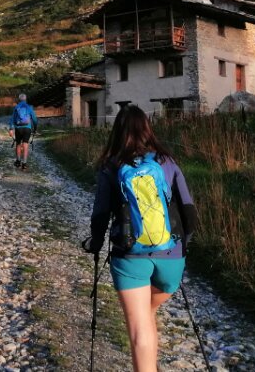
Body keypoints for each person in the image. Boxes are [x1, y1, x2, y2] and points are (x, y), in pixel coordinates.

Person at [82, 105, 198, 372]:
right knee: (147, 316)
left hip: (130, 255)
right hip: (171, 256)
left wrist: (96, 243)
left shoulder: (111, 166)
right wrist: (181, 248)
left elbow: (100, 214)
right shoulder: (167, 162)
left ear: (117, 131)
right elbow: (189, 214)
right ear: (148, 128)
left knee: (139, 327)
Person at [9, 93, 38, 169]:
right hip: (27, 128)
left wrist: (11, 128)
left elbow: (12, 119)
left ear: (19, 100)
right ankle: (24, 163)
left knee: (18, 144)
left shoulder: (16, 107)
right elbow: (34, 119)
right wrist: (35, 128)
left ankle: (18, 161)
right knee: (25, 144)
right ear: (25, 99)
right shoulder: (29, 107)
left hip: (18, 128)